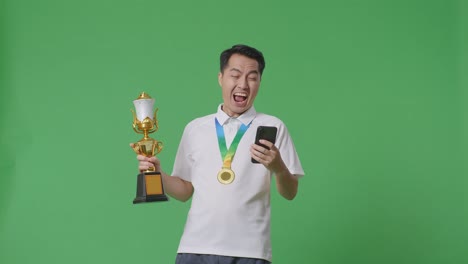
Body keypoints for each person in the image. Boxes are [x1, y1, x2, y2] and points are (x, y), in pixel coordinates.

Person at [133, 44, 304, 264]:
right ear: (221, 78)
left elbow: (290, 192)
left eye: (252, 77)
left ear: (259, 82)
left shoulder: (273, 126)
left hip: (250, 252)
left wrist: (278, 167)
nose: (243, 84)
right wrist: (156, 174)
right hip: (195, 248)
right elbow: (185, 191)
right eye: (235, 75)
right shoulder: (195, 128)